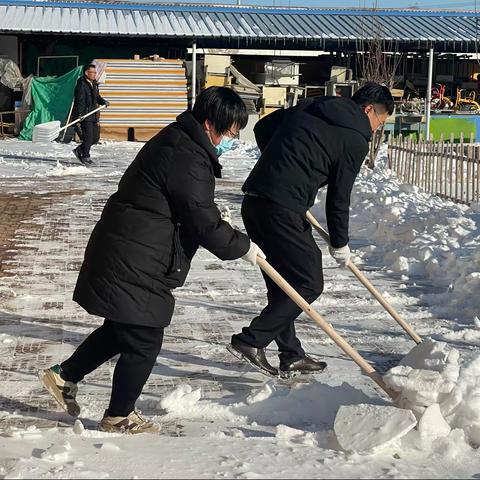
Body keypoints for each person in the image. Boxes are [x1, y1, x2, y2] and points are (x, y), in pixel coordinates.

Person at [39, 87, 263, 434]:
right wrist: (241, 246)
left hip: (133, 246)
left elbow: (194, 209)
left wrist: (230, 234)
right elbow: (201, 219)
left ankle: (64, 376)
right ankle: (119, 416)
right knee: (144, 338)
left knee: (123, 328)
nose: (230, 141)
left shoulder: (183, 143)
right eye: (229, 133)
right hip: (136, 253)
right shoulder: (187, 155)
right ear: (209, 124)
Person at [229, 82, 394, 377]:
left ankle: (291, 354)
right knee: (309, 282)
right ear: (369, 109)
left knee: (284, 283)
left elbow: (263, 128)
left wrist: (286, 162)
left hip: (255, 200)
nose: (377, 128)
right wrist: (340, 243)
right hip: (281, 208)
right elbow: (339, 197)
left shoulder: (313, 105)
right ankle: (251, 340)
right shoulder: (356, 138)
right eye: (380, 121)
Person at [72, 63, 109, 165]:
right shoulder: (81, 85)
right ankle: (85, 156)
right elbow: (80, 101)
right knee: (88, 137)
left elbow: (97, 97)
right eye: (92, 73)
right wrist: (79, 115)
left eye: (95, 72)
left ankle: (79, 150)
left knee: (95, 138)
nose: (94, 74)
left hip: (93, 114)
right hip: (85, 115)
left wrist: (103, 102)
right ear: (86, 73)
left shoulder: (94, 84)